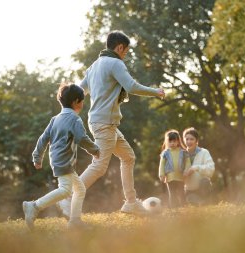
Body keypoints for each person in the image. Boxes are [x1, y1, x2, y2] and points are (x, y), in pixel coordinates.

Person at [58, 30, 165, 216]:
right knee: (99, 166)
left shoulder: (94, 66)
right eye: (126, 51)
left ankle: (131, 203)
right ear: (120, 47)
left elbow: (80, 91)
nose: (125, 55)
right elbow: (131, 86)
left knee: (128, 157)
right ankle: (68, 198)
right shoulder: (115, 63)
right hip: (104, 123)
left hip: (102, 122)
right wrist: (155, 91)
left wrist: (66, 104)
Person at [22, 84, 100, 230]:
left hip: (58, 159)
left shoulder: (55, 119)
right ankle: (34, 206)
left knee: (80, 188)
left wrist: (37, 157)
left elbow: (43, 138)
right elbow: (82, 138)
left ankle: (75, 220)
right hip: (65, 160)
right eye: (82, 101)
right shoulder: (75, 119)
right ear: (76, 102)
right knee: (65, 190)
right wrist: (95, 150)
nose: (83, 104)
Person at [182, 127, 215, 205]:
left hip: (203, 187)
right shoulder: (181, 155)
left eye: (191, 139)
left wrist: (196, 168)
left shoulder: (204, 152)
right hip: (189, 190)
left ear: (196, 141)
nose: (189, 141)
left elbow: (211, 170)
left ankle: (207, 201)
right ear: (184, 140)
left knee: (205, 182)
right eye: (187, 139)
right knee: (194, 202)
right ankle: (201, 203)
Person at [158, 129, 190, 208]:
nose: (172, 143)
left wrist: (186, 170)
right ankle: (174, 209)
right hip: (170, 177)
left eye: (174, 141)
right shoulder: (165, 153)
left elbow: (188, 162)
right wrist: (161, 174)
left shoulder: (183, 152)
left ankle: (184, 208)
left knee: (181, 193)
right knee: (172, 194)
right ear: (167, 142)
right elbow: (161, 164)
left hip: (180, 177)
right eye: (170, 141)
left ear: (178, 141)